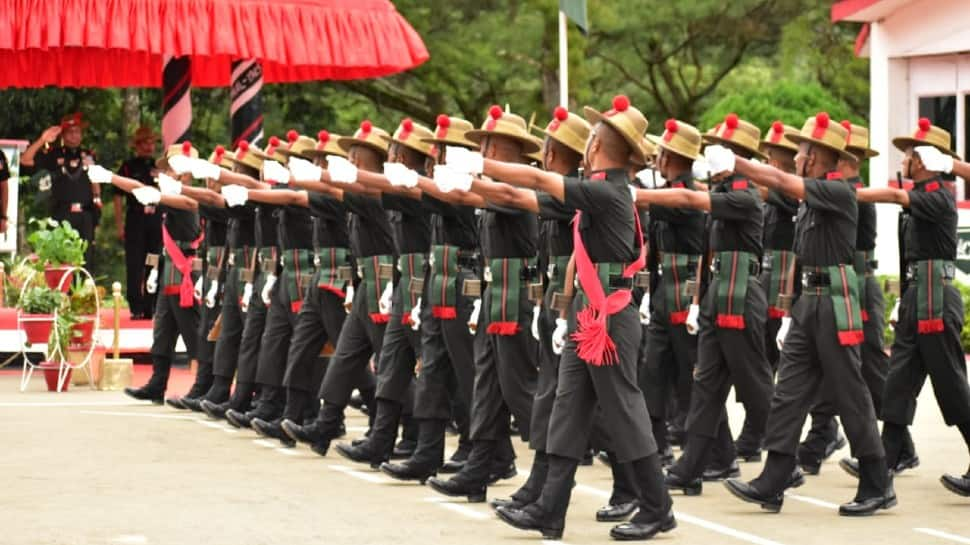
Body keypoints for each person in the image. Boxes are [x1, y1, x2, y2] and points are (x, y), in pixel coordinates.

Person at [463, 95, 674, 540]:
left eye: (593, 136)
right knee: (567, 408)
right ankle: (549, 509)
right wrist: (475, 181)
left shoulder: (607, 190)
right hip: (588, 311)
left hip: (610, 314)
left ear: (598, 147)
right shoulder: (594, 191)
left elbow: (536, 177)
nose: (588, 143)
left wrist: (483, 168)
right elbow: (521, 195)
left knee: (625, 411)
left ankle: (657, 507)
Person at [716, 112, 894, 516]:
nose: (794, 159)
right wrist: (792, 311)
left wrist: (736, 162)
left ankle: (877, 481)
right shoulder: (813, 197)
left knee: (851, 394)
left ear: (814, 158)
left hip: (834, 301)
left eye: (799, 153)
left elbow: (778, 181)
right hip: (809, 302)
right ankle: (774, 479)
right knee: (789, 392)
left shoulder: (838, 191)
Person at [839, 120, 970, 498]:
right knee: (897, 388)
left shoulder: (938, 195)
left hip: (938, 302)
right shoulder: (921, 197)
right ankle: (884, 465)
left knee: (954, 391)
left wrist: (849, 193)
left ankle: (885, 465)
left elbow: (896, 198)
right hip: (918, 301)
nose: (906, 159)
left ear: (927, 160)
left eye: (912, 154)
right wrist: (901, 301)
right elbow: (909, 259)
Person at [425, 106, 541, 502]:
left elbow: (480, 194)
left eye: (491, 144)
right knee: (488, 388)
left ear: (512, 150)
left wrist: (436, 180)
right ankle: (478, 469)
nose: (484, 149)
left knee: (521, 390)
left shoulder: (516, 192)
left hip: (518, 301)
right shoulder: (491, 186)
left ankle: (550, 474)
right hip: (494, 297)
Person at [87, 142, 203, 404]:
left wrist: (112, 178)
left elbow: (169, 198)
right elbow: (143, 191)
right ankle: (157, 383)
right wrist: (110, 178)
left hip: (184, 273)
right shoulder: (170, 193)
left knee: (192, 332)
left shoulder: (191, 195)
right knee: (162, 332)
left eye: (174, 168)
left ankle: (202, 387)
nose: (169, 172)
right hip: (168, 271)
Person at [21, 112, 101, 264]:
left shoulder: (88, 155)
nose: (74, 135)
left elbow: (96, 183)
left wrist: (97, 204)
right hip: (62, 213)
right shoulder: (53, 154)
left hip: (85, 214)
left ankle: (86, 288)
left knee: (86, 260)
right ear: (63, 135)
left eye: (77, 131)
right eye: (70, 132)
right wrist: (42, 140)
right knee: (62, 261)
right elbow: (25, 160)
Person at [114, 126, 163, 319]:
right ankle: (136, 306)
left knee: (154, 261)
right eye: (145, 143)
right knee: (135, 264)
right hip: (136, 220)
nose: (149, 147)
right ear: (137, 145)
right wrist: (119, 225)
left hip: (155, 220)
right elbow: (117, 197)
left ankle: (152, 305)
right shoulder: (128, 167)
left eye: (152, 142)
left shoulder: (158, 167)